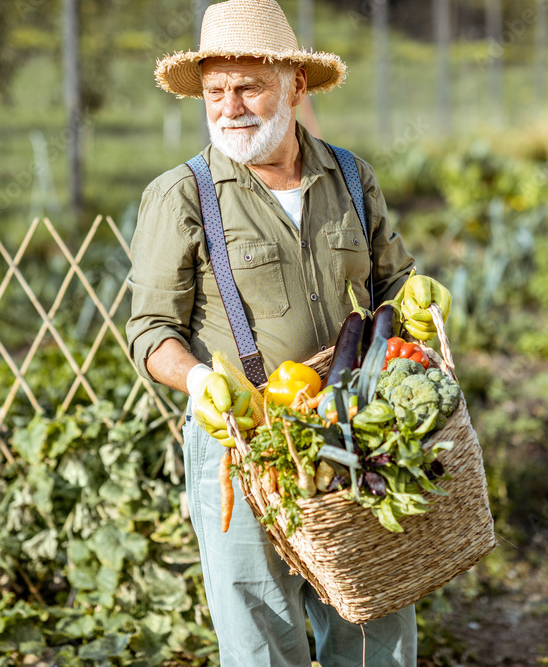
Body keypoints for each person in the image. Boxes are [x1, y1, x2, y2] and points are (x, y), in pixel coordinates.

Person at [126, 1, 448, 663]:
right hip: (241, 440)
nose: (230, 106)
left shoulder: (352, 178)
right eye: (215, 91)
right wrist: (199, 380)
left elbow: (393, 283)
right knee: (261, 640)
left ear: (295, 86)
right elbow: (151, 330)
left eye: (248, 86)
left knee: (373, 627)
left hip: (356, 433)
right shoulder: (181, 196)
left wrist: (417, 297)